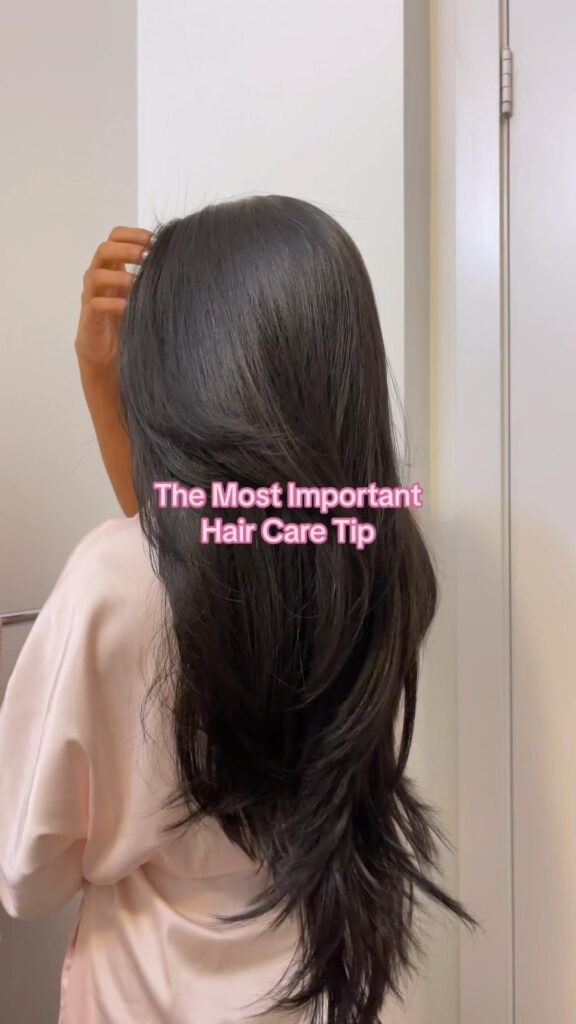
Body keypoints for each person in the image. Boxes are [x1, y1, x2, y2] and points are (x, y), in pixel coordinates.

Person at [0, 197, 472, 1024]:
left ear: (184, 369)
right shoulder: (374, 551)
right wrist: (100, 387)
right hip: (329, 987)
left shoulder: (109, 579)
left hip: (145, 998)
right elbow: (203, 566)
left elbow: (27, 876)